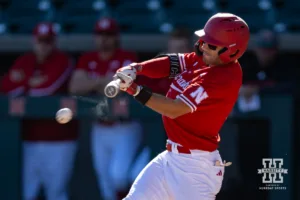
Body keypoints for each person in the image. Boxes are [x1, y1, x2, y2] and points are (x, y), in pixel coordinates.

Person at [112, 13, 250, 200]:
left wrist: (134, 90)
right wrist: (137, 68)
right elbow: (173, 63)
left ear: (231, 51)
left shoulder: (222, 77)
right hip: (170, 158)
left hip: (195, 169)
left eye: (210, 44)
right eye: (203, 41)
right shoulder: (208, 58)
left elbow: (174, 109)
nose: (203, 47)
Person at [0, 22, 77, 200]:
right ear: (34, 41)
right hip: (30, 139)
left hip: (60, 140)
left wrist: (22, 82)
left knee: (56, 193)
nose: (44, 45)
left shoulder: (63, 60)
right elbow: (6, 88)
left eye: (48, 41)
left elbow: (46, 89)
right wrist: (30, 81)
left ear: (54, 42)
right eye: (41, 41)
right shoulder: (25, 60)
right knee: (27, 193)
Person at [68, 17, 143, 200]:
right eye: (101, 35)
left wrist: (92, 84)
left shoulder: (128, 57)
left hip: (125, 126)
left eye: (109, 35)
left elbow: (120, 88)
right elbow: (75, 87)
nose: (104, 39)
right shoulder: (87, 58)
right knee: (105, 183)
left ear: (116, 37)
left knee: (119, 176)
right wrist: (104, 81)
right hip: (99, 127)